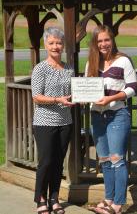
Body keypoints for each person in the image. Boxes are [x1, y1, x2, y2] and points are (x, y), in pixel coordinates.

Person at [86, 25, 137, 214]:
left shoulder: (123, 61)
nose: (103, 44)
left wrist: (111, 98)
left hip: (117, 115)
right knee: (105, 160)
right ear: (95, 43)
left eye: (106, 40)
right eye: (99, 41)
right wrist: (82, 95)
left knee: (117, 160)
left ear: (112, 40)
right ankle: (108, 198)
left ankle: (117, 203)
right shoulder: (91, 63)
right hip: (97, 116)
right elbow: (86, 87)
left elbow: (133, 87)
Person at [31, 27, 75, 214]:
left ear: (63, 45)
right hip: (44, 122)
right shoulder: (40, 68)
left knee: (58, 162)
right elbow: (36, 97)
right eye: (52, 43)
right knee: (46, 161)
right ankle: (40, 198)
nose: (56, 46)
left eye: (59, 43)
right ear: (45, 45)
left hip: (65, 122)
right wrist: (58, 99)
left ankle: (54, 198)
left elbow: (73, 92)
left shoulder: (69, 69)